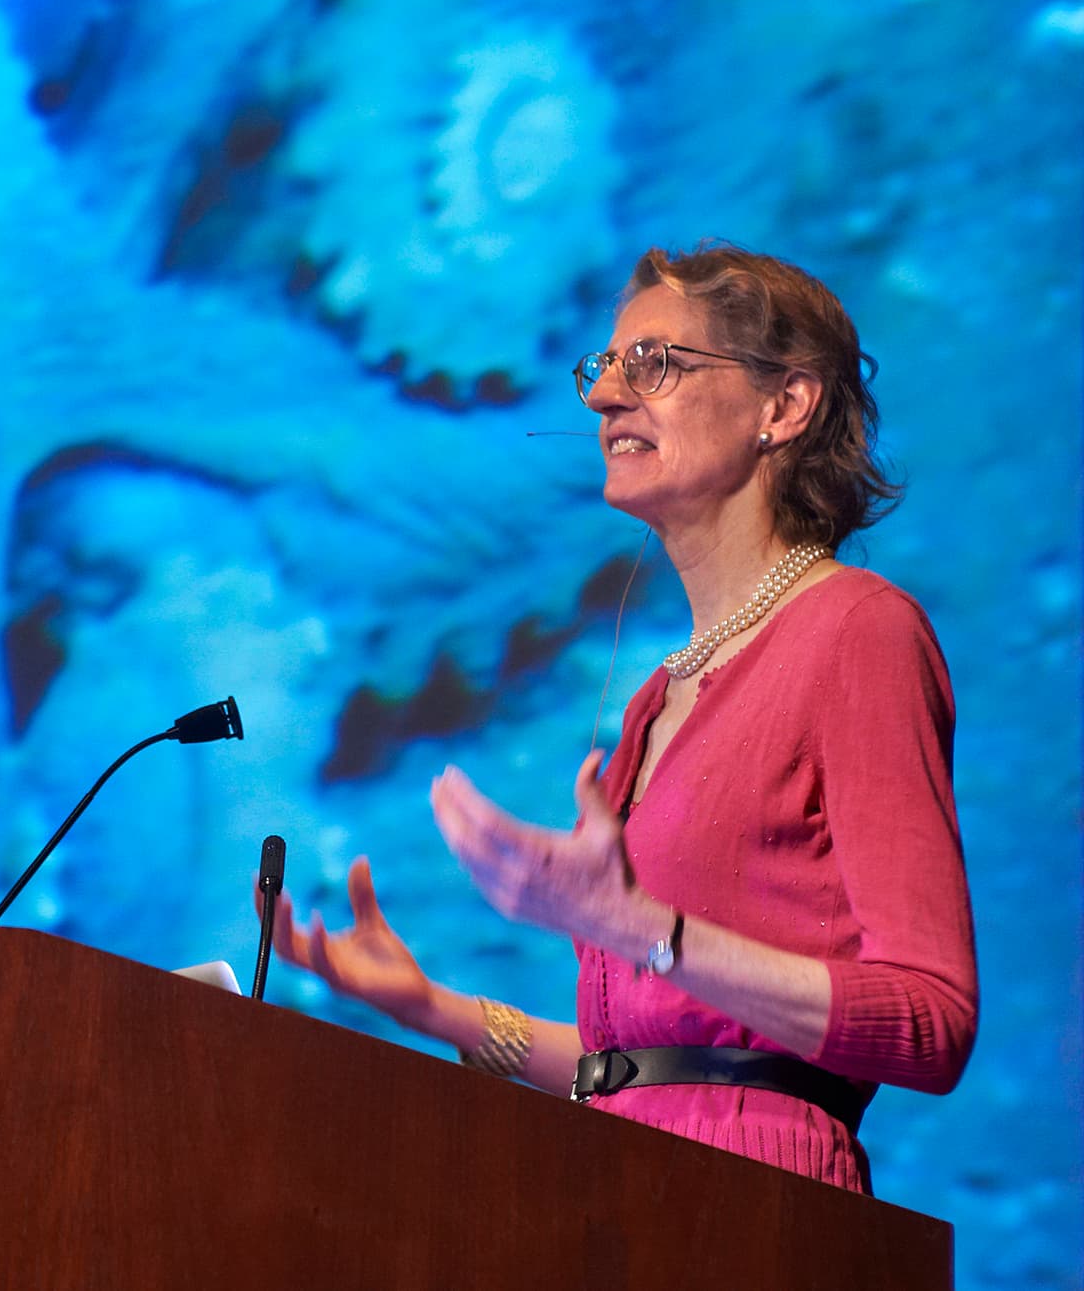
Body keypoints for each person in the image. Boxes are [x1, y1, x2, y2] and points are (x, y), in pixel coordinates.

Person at [265, 243, 978, 1194]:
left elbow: (931, 1021)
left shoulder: (861, 631)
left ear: (784, 406)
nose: (604, 396)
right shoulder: (656, 698)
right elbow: (642, 1069)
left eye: (654, 363)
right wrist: (432, 1007)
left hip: (764, 1205)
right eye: (605, 367)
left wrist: (642, 926)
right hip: (617, 1193)